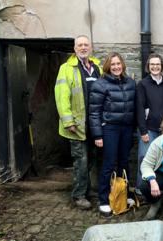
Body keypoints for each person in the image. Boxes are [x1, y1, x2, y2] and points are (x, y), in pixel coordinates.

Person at [54, 35, 101, 210]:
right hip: (76, 126)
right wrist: (68, 122)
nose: (83, 47)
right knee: (81, 161)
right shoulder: (65, 69)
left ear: (91, 47)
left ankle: (89, 189)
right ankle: (79, 195)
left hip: (94, 125)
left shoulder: (97, 67)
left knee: (91, 161)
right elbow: (61, 97)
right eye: (79, 45)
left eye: (86, 45)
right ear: (74, 49)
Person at [89, 52, 136, 216]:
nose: (116, 67)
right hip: (109, 129)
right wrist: (97, 135)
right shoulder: (100, 85)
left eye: (118, 64)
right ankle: (103, 200)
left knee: (125, 162)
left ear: (122, 65)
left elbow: (134, 107)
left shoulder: (130, 82)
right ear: (108, 66)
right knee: (109, 163)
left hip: (127, 128)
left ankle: (126, 193)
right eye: (113, 64)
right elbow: (94, 112)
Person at [135, 53, 163, 194]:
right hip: (149, 130)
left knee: (161, 159)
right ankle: (141, 189)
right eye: (152, 64)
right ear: (148, 66)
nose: (155, 67)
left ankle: (157, 187)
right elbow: (139, 108)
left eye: (157, 64)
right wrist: (143, 131)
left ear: (162, 66)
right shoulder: (143, 84)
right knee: (145, 158)